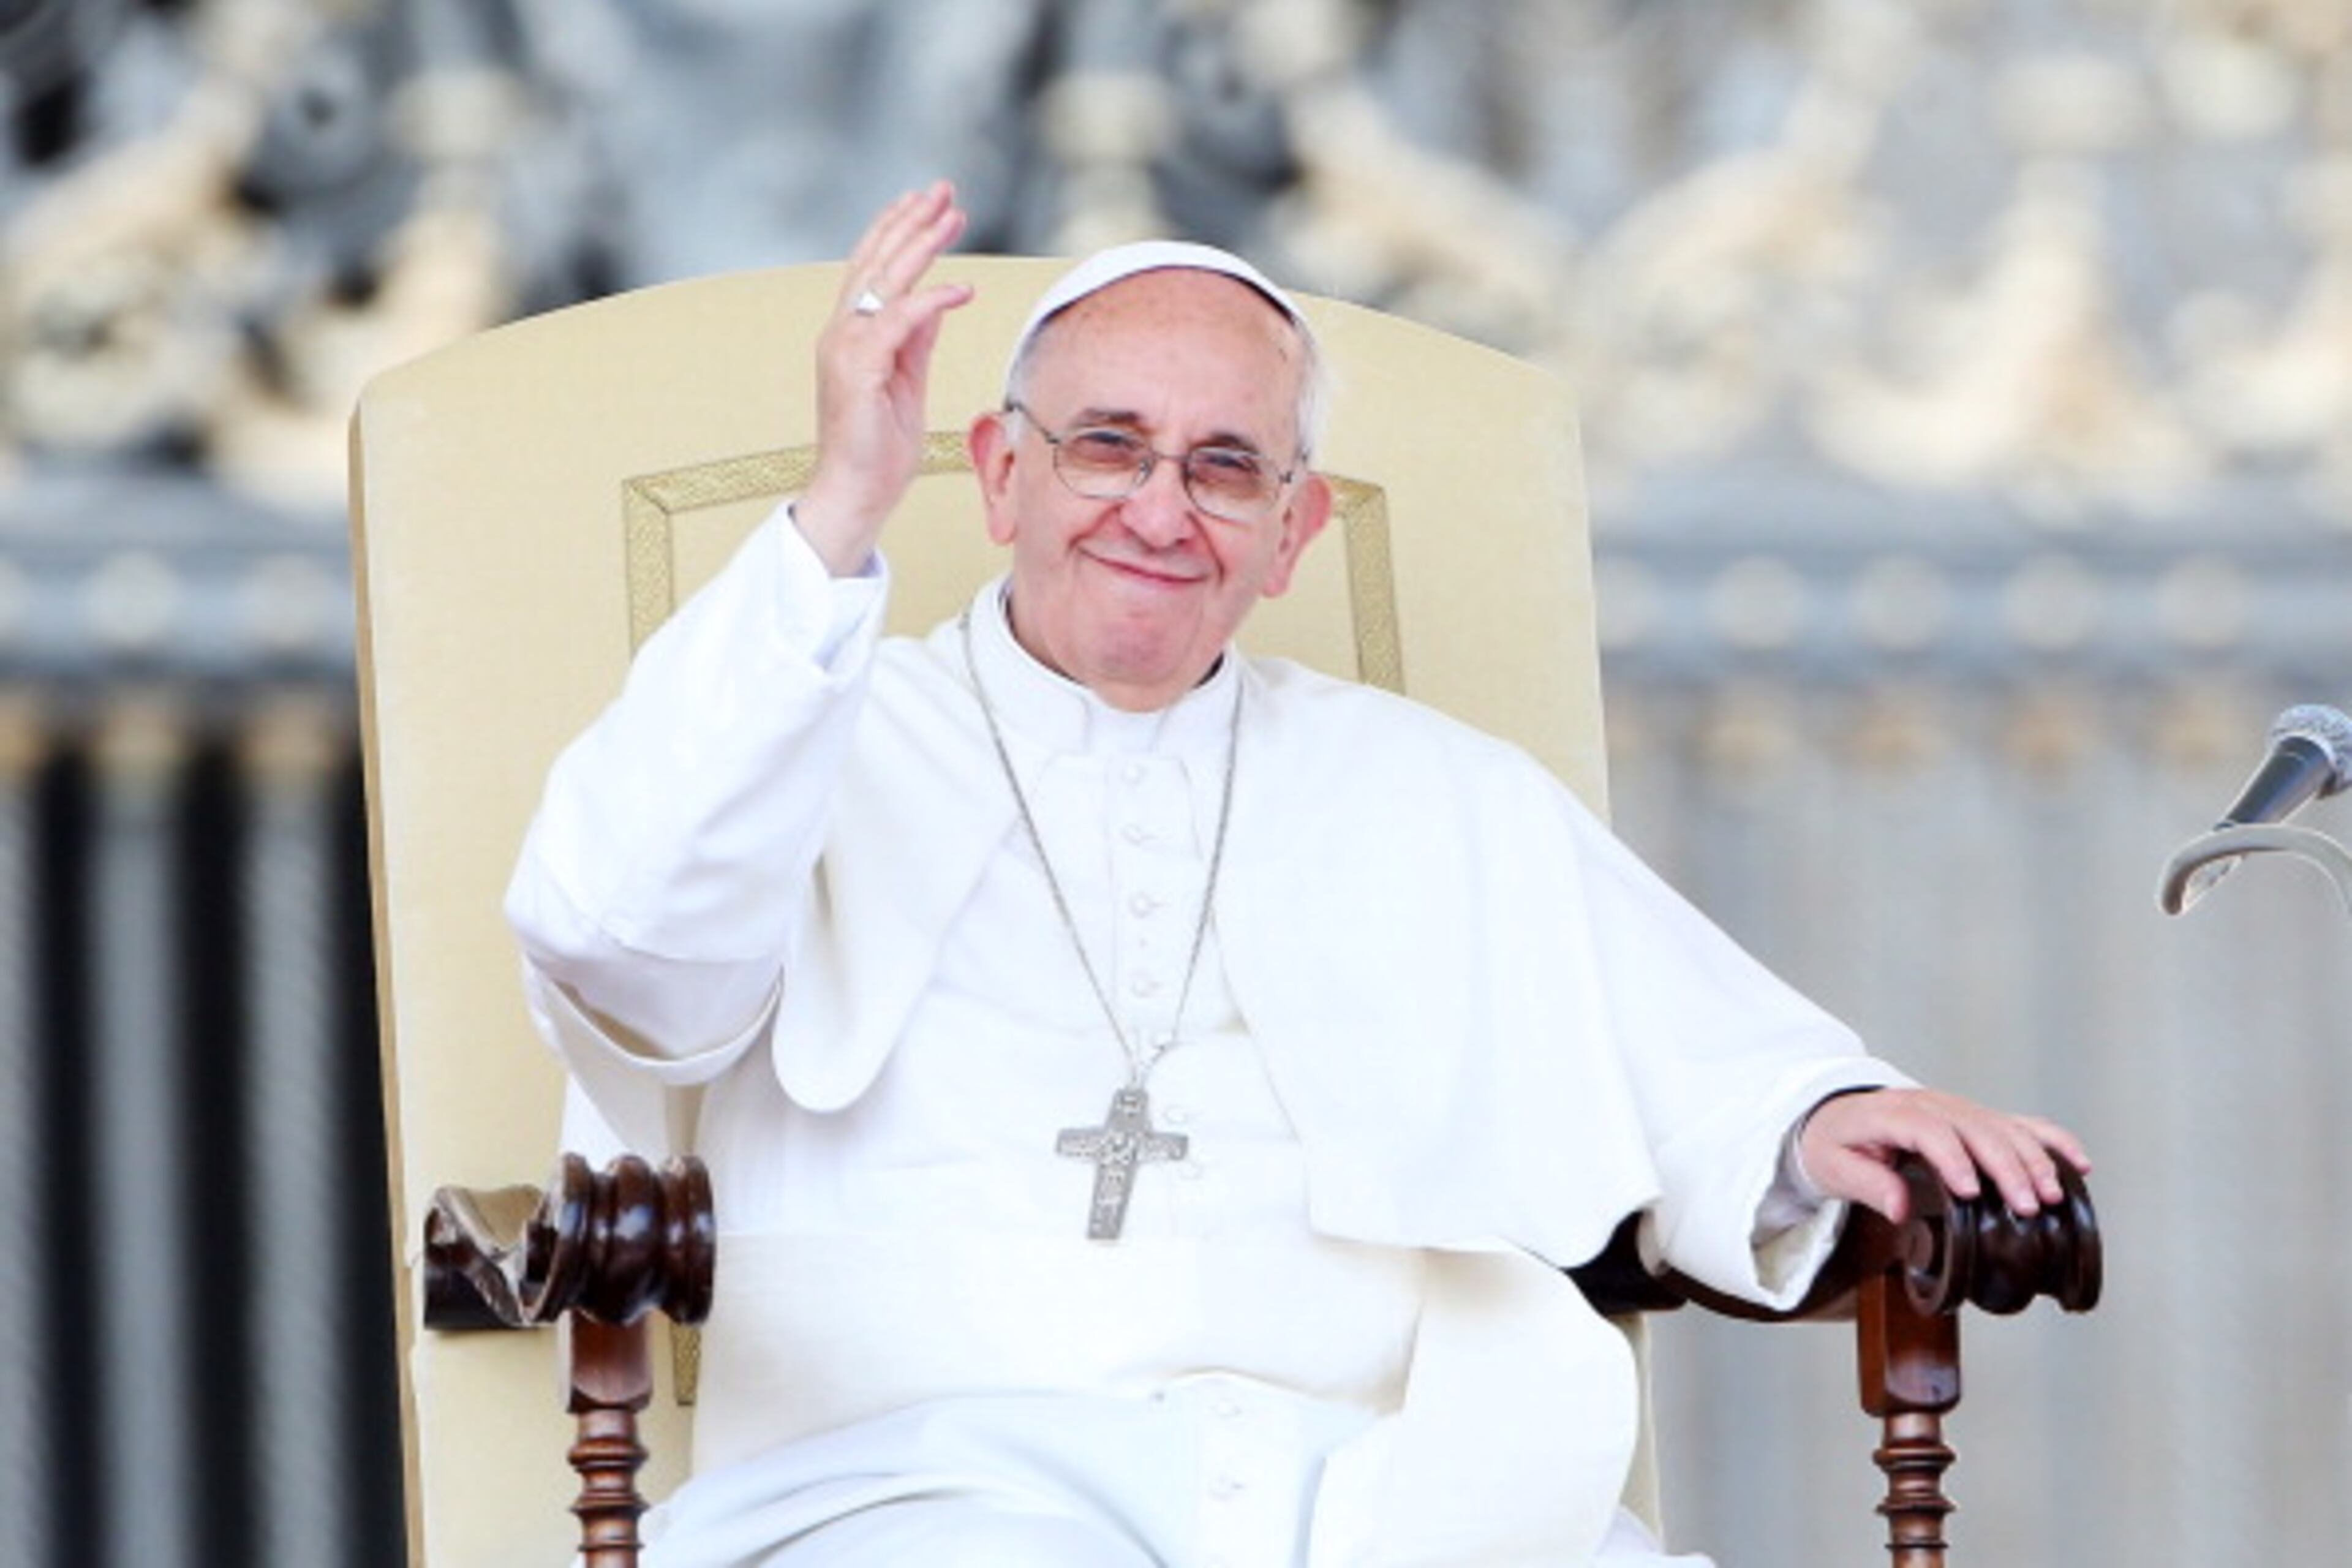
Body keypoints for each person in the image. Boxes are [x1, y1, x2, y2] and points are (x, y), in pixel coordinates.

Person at [504, 182, 2089, 1567]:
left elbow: (1688, 1067)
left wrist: (1820, 1121)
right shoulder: (807, 733)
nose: (1158, 509)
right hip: (909, 1487)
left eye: (1225, 468)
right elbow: (620, 942)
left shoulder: (1434, 791)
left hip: (1381, 1492)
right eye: (1106, 448)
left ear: (1293, 531)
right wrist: (837, 511)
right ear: (995, 476)